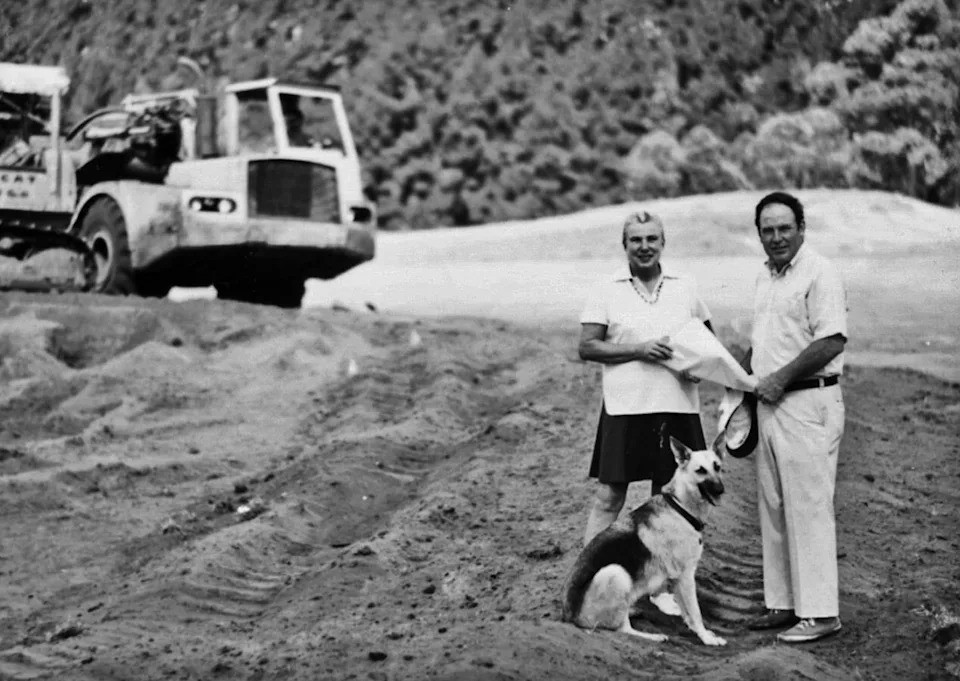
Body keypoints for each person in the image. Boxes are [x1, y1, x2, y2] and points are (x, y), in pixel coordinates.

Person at [578, 210, 712, 615]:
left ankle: (660, 588)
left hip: (676, 404)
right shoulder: (606, 288)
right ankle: (589, 579)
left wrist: (701, 365)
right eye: (636, 240)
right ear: (625, 245)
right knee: (610, 494)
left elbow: (708, 342)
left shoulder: (685, 287)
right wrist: (638, 349)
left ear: (663, 242)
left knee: (668, 499)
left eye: (652, 238)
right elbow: (588, 347)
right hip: (626, 406)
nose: (644, 246)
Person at [742, 191, 847, 643]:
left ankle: (822, 614)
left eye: (785, 228)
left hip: (808, 402)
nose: (777, 237)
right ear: (759, 234)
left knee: (808, 508)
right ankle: (783, 603)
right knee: (775, 507)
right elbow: (769, 341)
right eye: (768, 229)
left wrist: (780, 378)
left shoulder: (819, 271)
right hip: (770, 403)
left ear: (801, 228)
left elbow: (832, 341)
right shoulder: (766, 277)